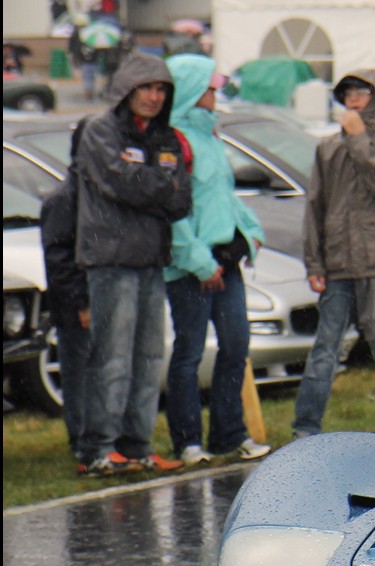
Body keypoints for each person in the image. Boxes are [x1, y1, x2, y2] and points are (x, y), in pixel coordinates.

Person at [292, 70, 375, 437]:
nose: (354, 97)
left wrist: (358, 139)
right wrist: (314, 262)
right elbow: (315, 207)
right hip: (338, 265)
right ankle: (305, 429)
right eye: (348, 91)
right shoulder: (326, 148)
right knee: (325, 349)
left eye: (362, 91)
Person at [74, 53, 192, 475]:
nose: (154, 96)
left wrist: (150, 186)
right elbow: (121, 185)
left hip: (151, 259)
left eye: (161, 89)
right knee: (113, 356)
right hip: (110, 260)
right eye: (146, 87)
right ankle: (98, 448)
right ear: (127, 89)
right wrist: (160, 185)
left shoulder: (166, 137)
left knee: (148, 358)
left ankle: (138, 445)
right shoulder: (99, 129)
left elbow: (182, 201)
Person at [163, 54, 269, 465]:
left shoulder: (210, 137)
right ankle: (188, 441)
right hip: (190, 269)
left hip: (226, 264)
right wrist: (201, 262)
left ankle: (230, 434)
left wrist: (251, 234)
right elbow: (173, 212)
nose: (215, 96)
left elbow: (224, 197)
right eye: (210, 88)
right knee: (189, 352)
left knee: (236, 345)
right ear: (192, 90)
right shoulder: (173, 142)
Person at [40, 147, 91, 468]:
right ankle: (82, 441)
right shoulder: (65, 198)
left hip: (92, 296)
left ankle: (98, 438)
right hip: (74, 304)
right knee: (79, 373)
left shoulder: (91, 194)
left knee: (94, 370)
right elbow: (58, 257)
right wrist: (80, 303)